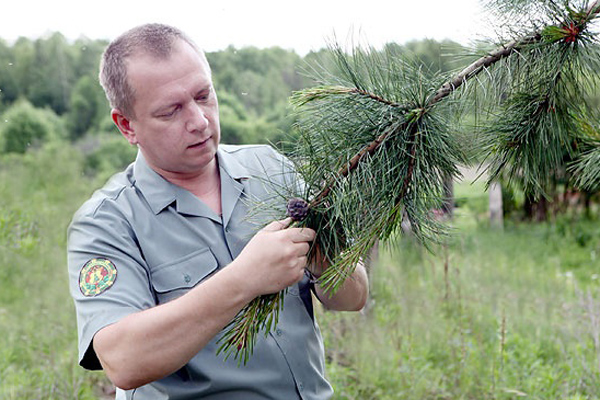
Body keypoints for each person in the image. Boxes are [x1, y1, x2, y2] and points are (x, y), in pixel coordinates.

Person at [67, 23, 369, 400]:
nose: (199, 120)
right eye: (170, 111)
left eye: (203, 95)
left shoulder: (272, 168)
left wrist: (325, 259)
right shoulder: (106, 223)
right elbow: (123, 360)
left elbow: (354, 297)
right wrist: (245, 278)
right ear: (127, 126)